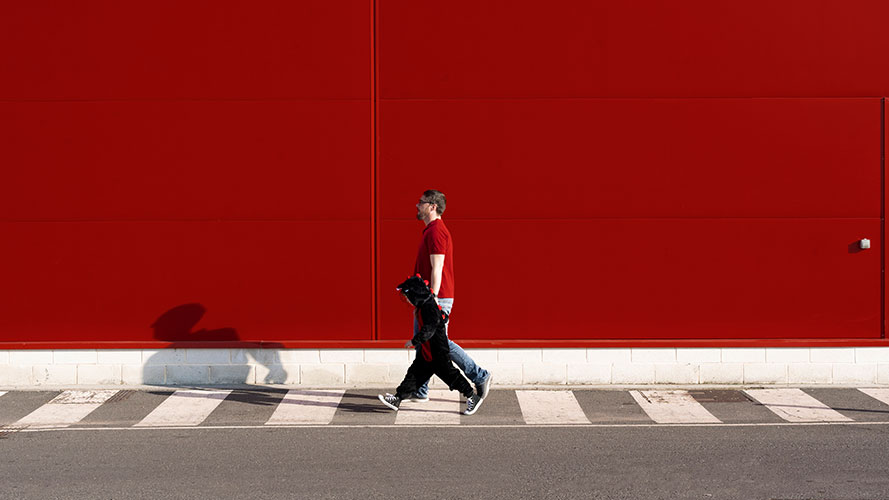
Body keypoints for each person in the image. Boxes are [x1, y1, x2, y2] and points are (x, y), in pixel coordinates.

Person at [410, 189, 492, 402]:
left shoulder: (437, 231)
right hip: (430, 297)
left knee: (439, 343)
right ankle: (420, 390)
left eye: (421, 202)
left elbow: (437, 267)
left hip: (436, 297)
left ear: (432, 206)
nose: (417, 206)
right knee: (424, 344)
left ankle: (479, 375)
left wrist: (433, 299)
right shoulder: (431, 230)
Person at [378, 275, 482, 415]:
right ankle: (397, 399)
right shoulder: (424, 305)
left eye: (408, 297)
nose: (407, 301)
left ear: (415, 294)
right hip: (427, 352)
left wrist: (414, 341)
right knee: (414, 375)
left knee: (451, 376)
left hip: (437, 351)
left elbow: (430, 328)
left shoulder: (428, 307)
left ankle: (472, 396)